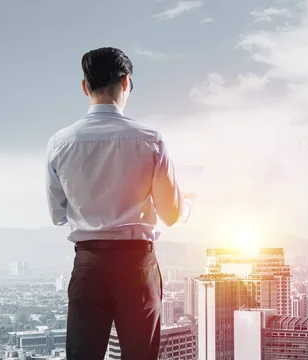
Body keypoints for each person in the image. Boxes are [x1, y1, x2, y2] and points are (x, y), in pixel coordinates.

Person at [45, 47, 194, 360]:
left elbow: (57, 214)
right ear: (126, 82)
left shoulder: (60, 142)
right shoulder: (151, 139)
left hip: (89, 266)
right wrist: (187, 203)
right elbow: (170, 213)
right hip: (137, 268)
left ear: (85, 87)